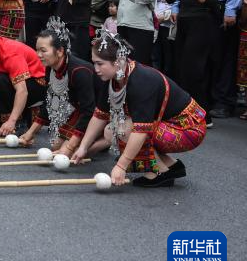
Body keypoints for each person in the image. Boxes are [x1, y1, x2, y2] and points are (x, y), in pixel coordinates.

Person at [72, 32, 206, 188]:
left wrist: (121, 166)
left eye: (100, 64)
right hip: (168, 125)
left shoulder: (142, 80)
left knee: (124, 128)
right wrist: (83, 148)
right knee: (111, 129)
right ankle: (171, 165)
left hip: (188, 128)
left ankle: (158, 173)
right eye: (94, 63)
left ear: (118, 61)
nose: (96, 69)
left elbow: (141, 130)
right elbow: (100, 115)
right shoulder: (112, 78)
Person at [187, 0, 244, 120]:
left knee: (223, 58)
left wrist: (230, 11)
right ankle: (206, 99)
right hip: (197, 11)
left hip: (220, 10)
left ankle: (223, 101)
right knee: (203, 57)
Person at [172, 0, 221, 127]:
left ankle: (203, 116)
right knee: (182, 69)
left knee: (195, 70)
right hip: (184, 22)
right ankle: (186, 112)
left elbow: (213, 2)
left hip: (202, 24)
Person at [34, 19, 102, 157]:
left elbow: (89, 110)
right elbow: (49, 101)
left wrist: (71, 147)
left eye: (43, 51)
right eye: (37, 50)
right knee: (56, 146)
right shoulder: (51, 68)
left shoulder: (79, 71)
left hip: (99, 113)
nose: (38, 55)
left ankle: (103, 140)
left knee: (69, 153)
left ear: (60, 51)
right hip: (79, 109)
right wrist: (30, 133)